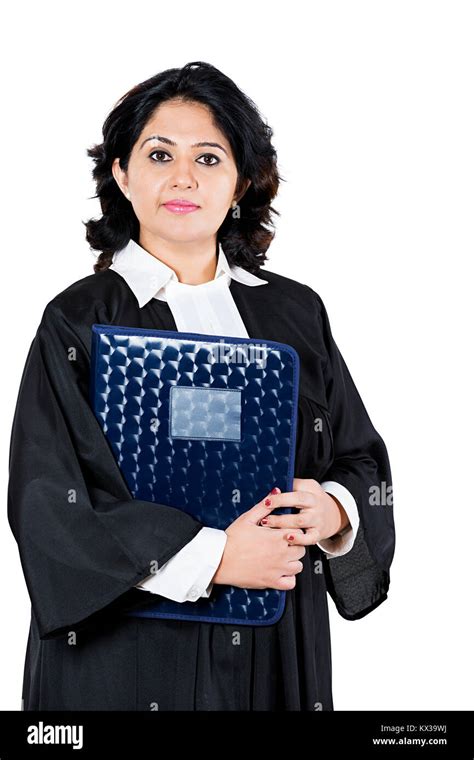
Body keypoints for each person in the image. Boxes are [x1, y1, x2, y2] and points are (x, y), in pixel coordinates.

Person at [7, 61, 395, 711]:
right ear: (123, 175)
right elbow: (48, 500)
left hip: (276, 654)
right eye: (160, 154)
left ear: (242, 181)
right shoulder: (79, 321)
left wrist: (335, 511)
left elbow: (360, 460)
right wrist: (214, 557)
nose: (184, 177)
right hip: (127, 661)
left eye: (209, 158)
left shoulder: (297, 314)